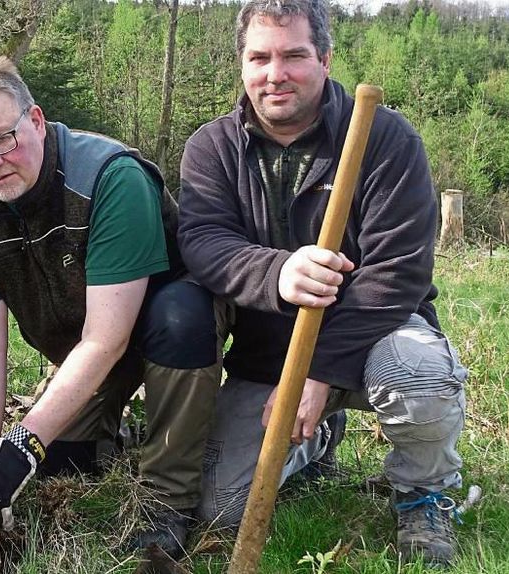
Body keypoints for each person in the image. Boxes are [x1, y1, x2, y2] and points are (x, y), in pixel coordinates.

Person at [178, 0, 467, 567]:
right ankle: (319, 440)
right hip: (267, 358)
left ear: (325, 59)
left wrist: (321, 369)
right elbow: (204, 243)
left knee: (417, 372)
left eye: (294, 56)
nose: (275, 73)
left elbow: (399, 271)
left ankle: (423, 494)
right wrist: (278, 271)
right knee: (222, 507)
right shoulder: (211, 148)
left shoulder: (384, 139)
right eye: (259, 57)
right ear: (241, 64)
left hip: (376, 337)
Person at [0, 56, 219, 558]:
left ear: (38, 120)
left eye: (3, 139)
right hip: (84, 345)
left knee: (180, 318)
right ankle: (118, 433)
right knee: (59, 464)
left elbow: (107, 338)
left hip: (163, 332)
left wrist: (23, 442)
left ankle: (167, 498)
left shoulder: (111, 178)